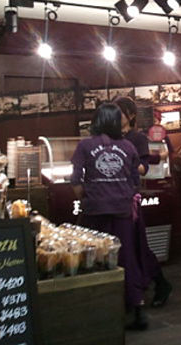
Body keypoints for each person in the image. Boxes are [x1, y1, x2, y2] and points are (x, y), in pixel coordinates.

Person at [70, 103, 149, 330]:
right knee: (126, 258)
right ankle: (137, 309)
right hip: (122, 210)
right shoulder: (128, 146)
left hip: (94, 211)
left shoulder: (85, 145)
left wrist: (86, 198)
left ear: (96, 121)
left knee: (93, 257)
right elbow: (136, 180)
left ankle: (98, 310)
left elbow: (75, 179)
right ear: (116, 122)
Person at [113, 96, 172, 308]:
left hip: (129, 199)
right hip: (113, 197)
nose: (115, 116)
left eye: (119, 112)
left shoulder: (136, 138)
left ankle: (160, 284)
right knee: (127, 247)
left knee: (138, 246)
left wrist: (123, 159)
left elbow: (143, 168)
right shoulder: (110, 136)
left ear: (130, 115)